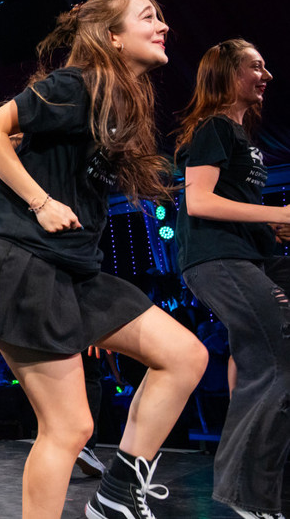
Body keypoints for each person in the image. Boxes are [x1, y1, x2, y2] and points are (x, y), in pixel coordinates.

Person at [0, 0, 207, 519]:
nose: (163, 26)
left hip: (74, 271)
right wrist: (40, 202)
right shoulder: (75, 84)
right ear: (112, 37)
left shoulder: (113, 101)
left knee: (185, 356)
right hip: (25, 262)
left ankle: (117, 493)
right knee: (69, 427)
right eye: (148, 17)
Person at [174, 39, 289, 519]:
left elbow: (236, 203)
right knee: (280, 358)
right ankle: (247, 494)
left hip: (252, 255)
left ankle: (260, 488)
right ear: (228, 73)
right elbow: (199, 201)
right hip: (218, 258)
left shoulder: (243, 137)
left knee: (267, 362)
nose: (267, 76)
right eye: (256, 66)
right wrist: (278, 213)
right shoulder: (214, 127)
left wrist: (271, 227)